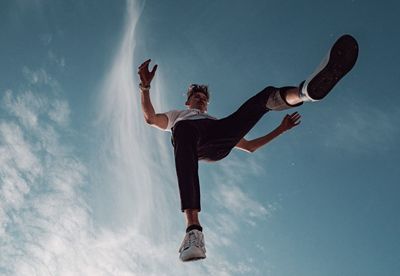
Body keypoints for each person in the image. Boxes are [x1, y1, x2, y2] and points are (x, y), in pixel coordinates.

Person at [137, 34, 358, 262]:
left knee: (262, 98)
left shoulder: (214, 120)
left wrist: (280, 129)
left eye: (204, 98)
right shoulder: (177, 115)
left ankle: (304, 93)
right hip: (191, 141)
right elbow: (151, 118)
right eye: (197, 97)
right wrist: (145, 87)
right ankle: (193, 231)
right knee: (182, 129)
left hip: (217, 140)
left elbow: (250, 146)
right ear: (188, 102)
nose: (201, 100)